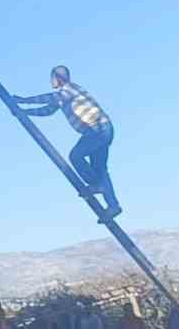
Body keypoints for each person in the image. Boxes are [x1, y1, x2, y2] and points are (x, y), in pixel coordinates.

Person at [14, 66, 120, 218]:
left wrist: (23, 101)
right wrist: (24, 113)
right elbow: (48, 110)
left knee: (76, 156)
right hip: (102, 130)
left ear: (59, 78)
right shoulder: (64, 96)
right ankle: (113, 206)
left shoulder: (70, 89)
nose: (51, 82)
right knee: (100, 169)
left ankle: (96, 185)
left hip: (97, 129)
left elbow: (50, 98)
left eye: (52, 78)